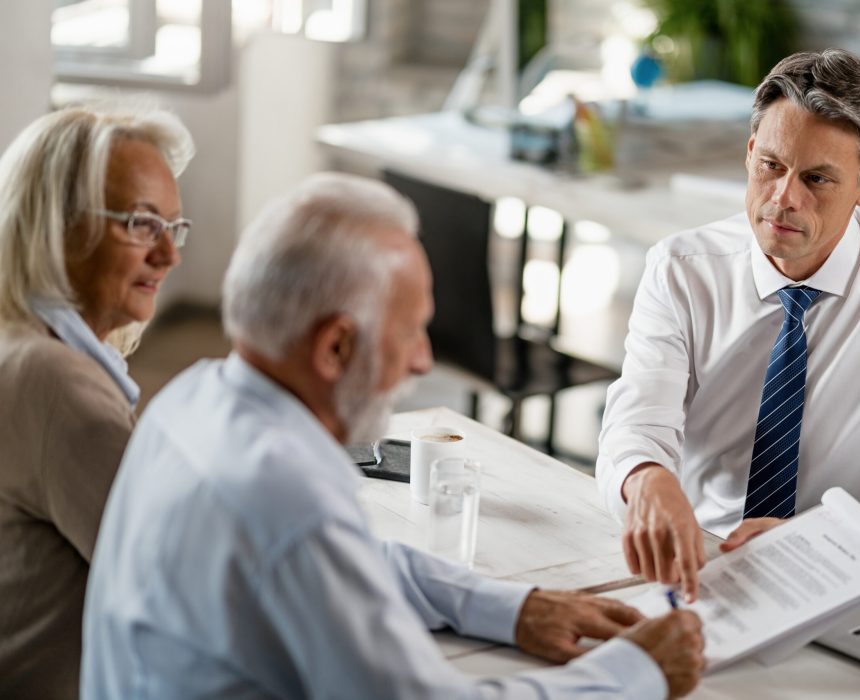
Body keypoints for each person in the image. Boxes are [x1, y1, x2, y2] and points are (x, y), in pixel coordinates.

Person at [82, 173, 705, 699]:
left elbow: (359, 563)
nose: (423, 362)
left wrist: (509, 607)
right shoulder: (286, 502)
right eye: (411, 332)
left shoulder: (189, 400)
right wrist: (635, 673)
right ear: (335, 347)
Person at [596, 49, 860, 601]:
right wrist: (645, 478)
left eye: (816, 178)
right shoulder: (682, 269)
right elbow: (636, 422)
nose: (784, 199)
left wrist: (818, 537)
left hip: (854, 568)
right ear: (748, 155)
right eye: (771, 166)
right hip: (707, 560)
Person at [0, 103, 193, 698]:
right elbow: (178, 593)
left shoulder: (21, 340)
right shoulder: (58, 383)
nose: (169, 255)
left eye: (174, 227)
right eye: (140, 224)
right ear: (59, 226)